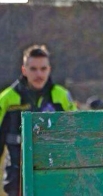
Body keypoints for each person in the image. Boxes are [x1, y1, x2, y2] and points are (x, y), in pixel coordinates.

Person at [0, 44, 78, 196]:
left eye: (43, 69)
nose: (39, 74)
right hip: (17, 177)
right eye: (33, 69)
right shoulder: (7, 99)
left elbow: (77, 134)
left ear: (49, 69)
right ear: (24, 70)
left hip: (55, 173)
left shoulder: (61, 96)